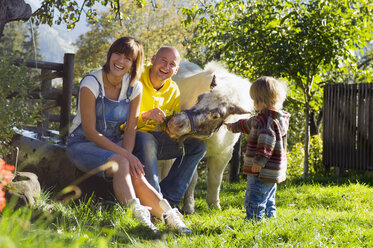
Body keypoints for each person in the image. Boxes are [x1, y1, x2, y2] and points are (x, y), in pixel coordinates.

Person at [66, 37, 192, 234]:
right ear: (110, 55)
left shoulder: (134, 87)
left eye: (128, 58)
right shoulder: (91, 83)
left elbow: (131, 127)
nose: (121, 61)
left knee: (133, 170)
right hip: (83, 143)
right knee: (123, 161)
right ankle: (139, 217)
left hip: (114, 143)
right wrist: (127, 155)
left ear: (134, 64)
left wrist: (127, 155)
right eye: (118, 54)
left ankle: (169, 216)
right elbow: (90, 131)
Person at [132, 47, 207, 208]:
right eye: (163, 61)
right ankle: (156, 200)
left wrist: (178, 130)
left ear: (176, 70)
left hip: (152, 140)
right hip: (128, 138)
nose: (166, 67)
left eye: (172, 64)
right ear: (153, 60)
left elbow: (169, 124)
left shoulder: (173, 90)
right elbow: (120, 120)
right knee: (146, 138)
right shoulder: (135, 78)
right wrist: (145, 116)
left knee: (197, 146)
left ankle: (170, 199)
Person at [225, 76, 290, 221]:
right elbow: (248, 123)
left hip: (261, 170)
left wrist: (259, 161)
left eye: (254, 100)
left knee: (254, 197)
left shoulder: (265, 121)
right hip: (273, 170)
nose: (254, 103)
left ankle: (254, 223)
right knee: (268, 198)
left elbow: (267, 141)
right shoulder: (276, 117)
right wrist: (233, 126)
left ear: (261, 100)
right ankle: (269, 220)